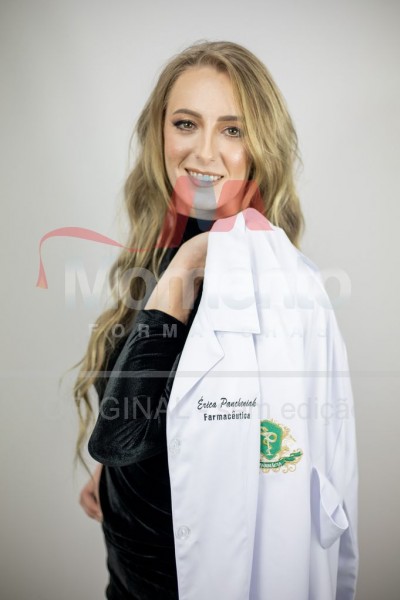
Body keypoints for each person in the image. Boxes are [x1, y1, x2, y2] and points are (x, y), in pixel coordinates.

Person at [73, 40, 351, 599]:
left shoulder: (261, 284)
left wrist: (191, 264)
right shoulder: (164, 243)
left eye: (232, 130)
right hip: (125, 576)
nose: (203, 152)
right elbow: (151, 418)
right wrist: (118, 479)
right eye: (185, 123)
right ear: (159, 132)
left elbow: (122, 437)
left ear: (260, 146)